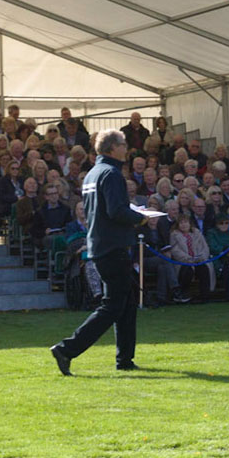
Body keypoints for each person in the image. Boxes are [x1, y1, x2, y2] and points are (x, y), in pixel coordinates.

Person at [51, 130, 140, 375]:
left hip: (100, 245)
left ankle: (125, 359)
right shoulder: (112, 174)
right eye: (123, 144)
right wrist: (140, 218)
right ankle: (66, 349)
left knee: (127, 303)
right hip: (113, 246)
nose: (127, 148)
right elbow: (116, 211)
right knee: (112, 306)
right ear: (112, 148)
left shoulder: (93, 173)